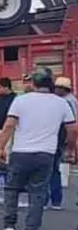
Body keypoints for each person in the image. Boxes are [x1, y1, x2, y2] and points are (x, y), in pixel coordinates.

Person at [0, 66, 77, 230]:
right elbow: (72, 130)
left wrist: (1, 148)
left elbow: (9, 125)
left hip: (20, 153)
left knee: (12, 189)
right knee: (38, 194)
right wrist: (71, 150)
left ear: (33, 83)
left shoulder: (21, 100)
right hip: (45, 154)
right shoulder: (61, 103)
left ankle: (9, 225)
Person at [46, 76, 78, 210]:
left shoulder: (67, 102)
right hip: (62, 137)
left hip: (61, 137)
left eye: (57, 88)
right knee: (54, 169)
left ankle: (53, 200)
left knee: (52, 170)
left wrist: (70, 145)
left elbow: (71, 123)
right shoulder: (68, 100)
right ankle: (55, 200)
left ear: (63, 89)